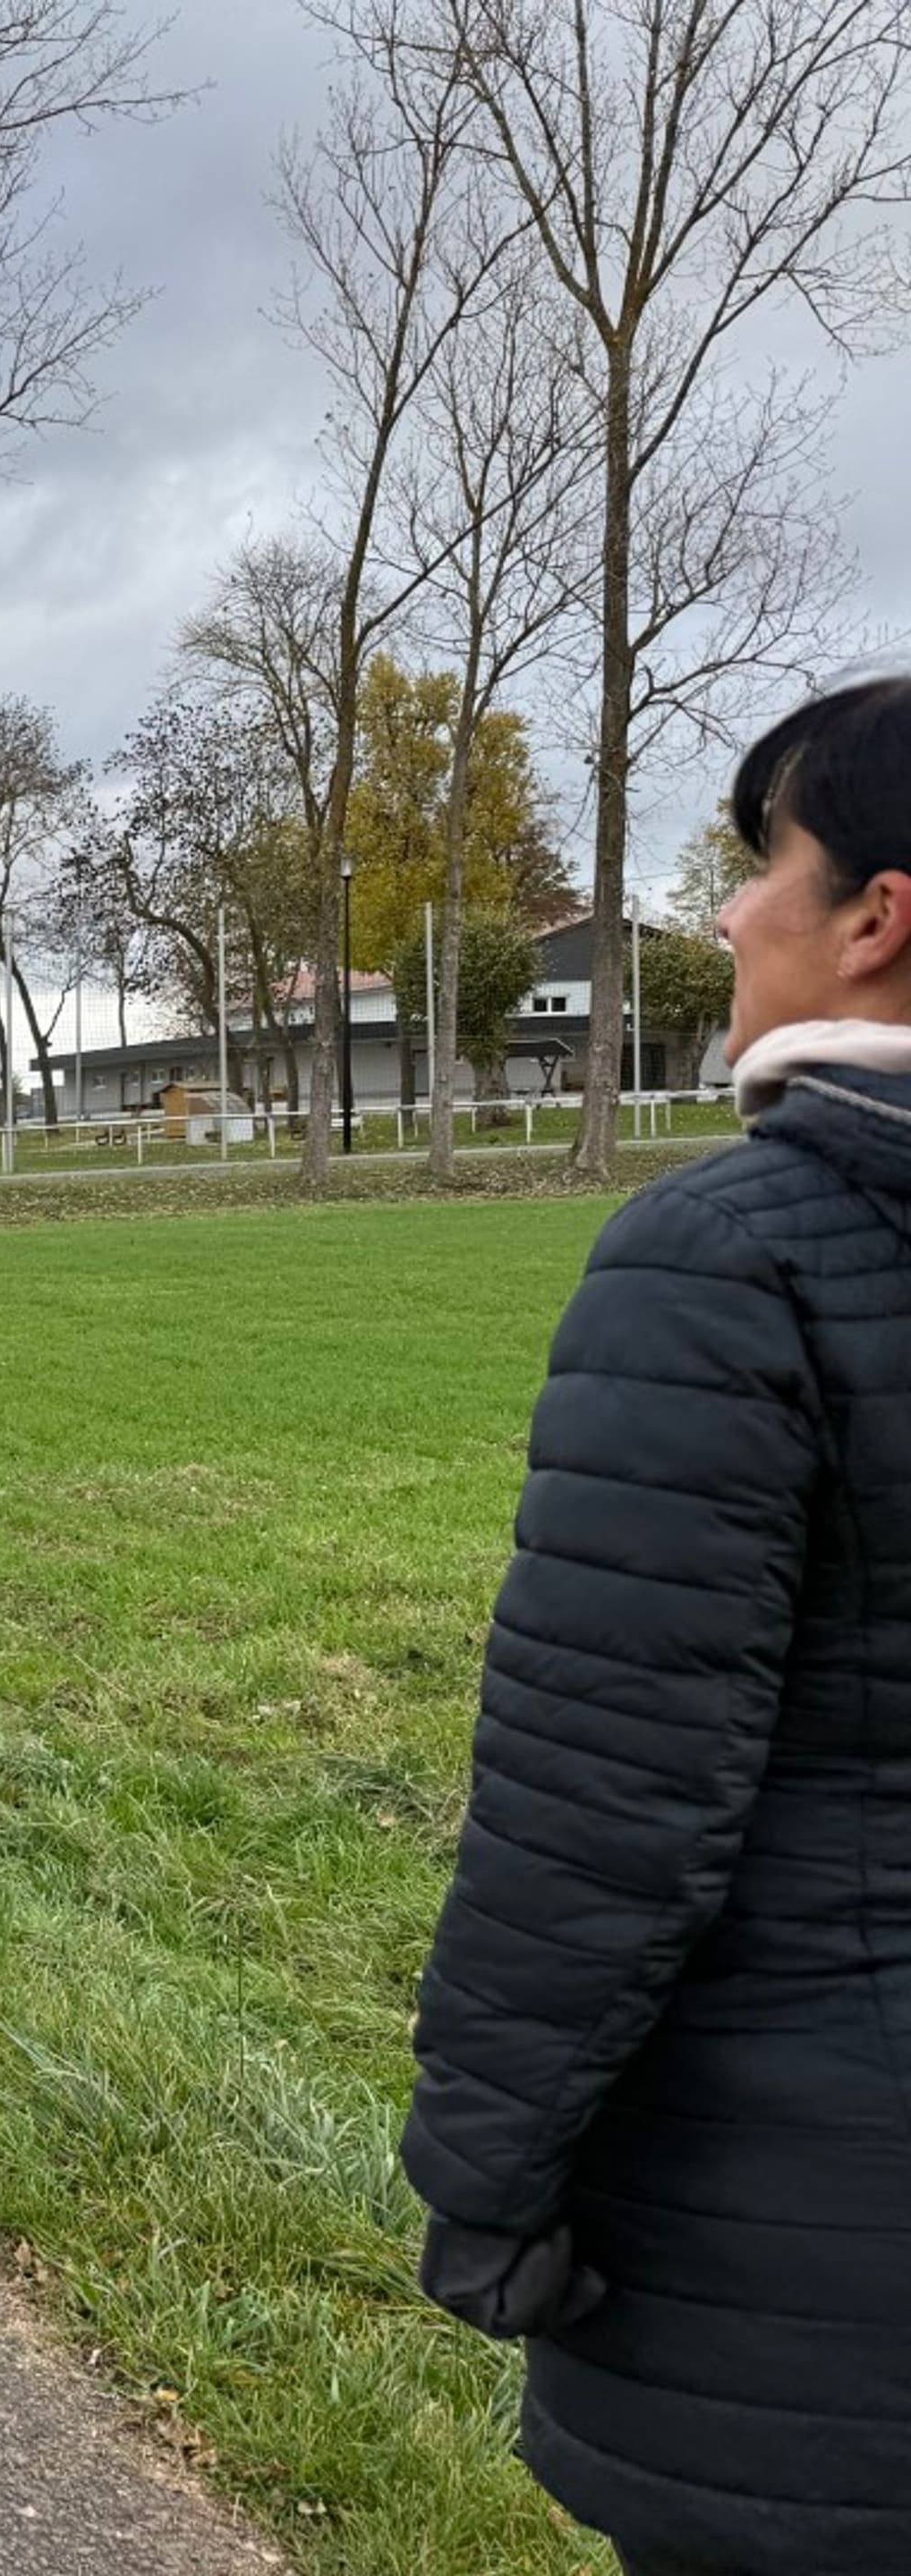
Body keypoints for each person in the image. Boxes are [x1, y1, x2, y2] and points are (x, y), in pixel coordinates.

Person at [404, 675, 911, 2576]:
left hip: (818, 2248)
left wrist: (487, 2171)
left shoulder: (731, 1263)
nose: (726, 916)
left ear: (878, 916)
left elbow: (608, 1801)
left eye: (762, 861)